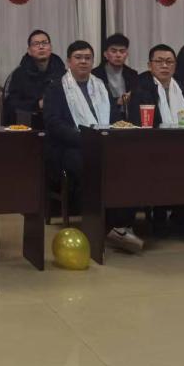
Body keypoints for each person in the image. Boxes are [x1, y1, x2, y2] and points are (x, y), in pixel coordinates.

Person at [42, 41, 143, 253]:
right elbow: (54, 125)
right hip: (70, 147)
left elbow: (113, 117)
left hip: (102, 143)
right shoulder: (56, 88)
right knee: (88, 166)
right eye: (78, 57)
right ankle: (106, 226)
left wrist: (110, 134)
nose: (83, 62)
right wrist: (86, 139)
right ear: (69, 61)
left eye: (88, 58)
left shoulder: (100, 85)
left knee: (131, 164)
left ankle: (121, 224)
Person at [128, 44, 184, 235]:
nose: (164, 65)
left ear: (175, 65)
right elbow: (138, 122)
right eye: (159, 61)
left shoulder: (182, 88)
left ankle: (182, 217)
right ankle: (160, 216)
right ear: (150, 65)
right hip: (152, 148)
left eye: (169, 62)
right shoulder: (141, 88)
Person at [2, 29, 65, 126]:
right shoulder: (18, 74)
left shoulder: (62, 73)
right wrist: (37, 104)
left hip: (59, 126)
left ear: (50, 48)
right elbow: (10, 105)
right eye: (36, 44)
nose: (41, 46)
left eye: (45, 43)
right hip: (29, 126)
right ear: (29, 51)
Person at [93, 33, 139, 106]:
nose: (118, 55)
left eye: (122, 51)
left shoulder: (132, 74)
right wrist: (117, 101)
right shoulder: (95, 74)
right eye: (114, 51)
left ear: (127, 54)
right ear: (105, 54)